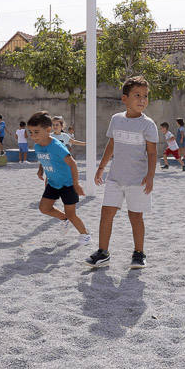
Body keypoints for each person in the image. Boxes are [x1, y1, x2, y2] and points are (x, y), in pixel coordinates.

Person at [86, 75, 158, 269]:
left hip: (138, 181)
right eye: (137, 95)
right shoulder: (116, 120)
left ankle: (139, 253)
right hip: (115, 178)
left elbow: (152, 153)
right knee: (106, 214)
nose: (142, 100)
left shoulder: (148, 124)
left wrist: (150, 176)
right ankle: (103, 252)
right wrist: (101, 168)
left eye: (145, 96)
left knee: (135, 217)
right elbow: (111, 144)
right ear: (124, 98)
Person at [29, 111, 91, 246]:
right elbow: (44, 159)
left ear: (48, 130)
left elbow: (73, 163)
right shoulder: (37, 146)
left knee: (72, 214)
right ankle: (64, 219)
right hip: (52, 183)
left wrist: (76, 184)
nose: (33, 136)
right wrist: (41, 171)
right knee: (44, 208)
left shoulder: (56, 146)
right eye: (31, 132)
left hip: (68, 184)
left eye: (36, 132)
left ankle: (85, 235)